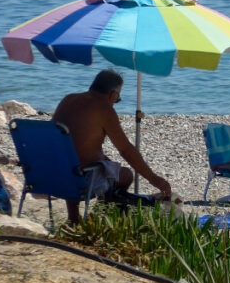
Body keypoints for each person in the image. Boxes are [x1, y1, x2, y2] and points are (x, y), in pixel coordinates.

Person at [52, 69, 172, 223]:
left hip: (53, 173)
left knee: (80, 163)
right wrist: (154, 179)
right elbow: (126, 150)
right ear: (113, 95)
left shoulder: (68, 99)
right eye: (118, 99)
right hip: (80, 178)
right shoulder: (104, 109)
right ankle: (103, 217)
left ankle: (74, 218)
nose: (116, 102)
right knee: (125, 175)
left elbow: (73, 143)